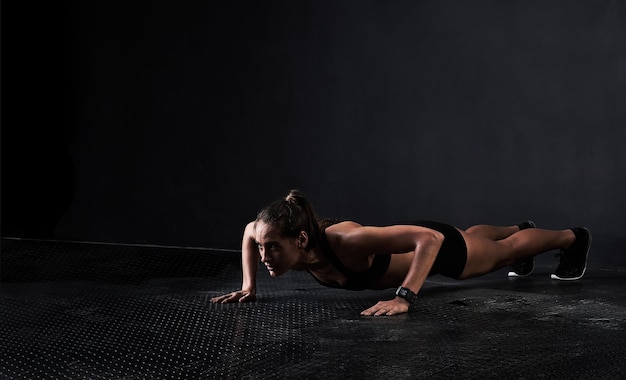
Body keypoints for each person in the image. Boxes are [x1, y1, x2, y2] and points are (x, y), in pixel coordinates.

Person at [210, 190, 592, 316]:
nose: (264, 254)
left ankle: (571, 239)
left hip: (437, 250)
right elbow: (249, 230)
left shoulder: (345, 242)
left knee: (503, 254)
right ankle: (521, 229)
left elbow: (431, 240)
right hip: (428, 239)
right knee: (480, 237)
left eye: (271, 248)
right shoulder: (283, 242)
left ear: (302, 240)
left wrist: (404, 297)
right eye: (263, 248)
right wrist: (249, 285)